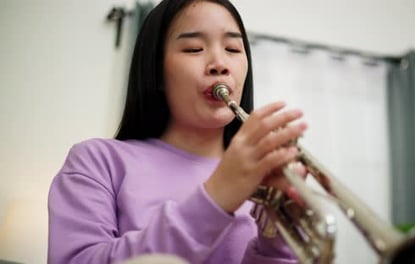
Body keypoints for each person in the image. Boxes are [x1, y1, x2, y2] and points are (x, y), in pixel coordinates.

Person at [48, 0, 308, 263]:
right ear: (156, 70)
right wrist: (216, 197)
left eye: (232, 48)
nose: (220, 64)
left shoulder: (260, 178)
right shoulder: (97, 161)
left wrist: (276, 239)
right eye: (194, 49)